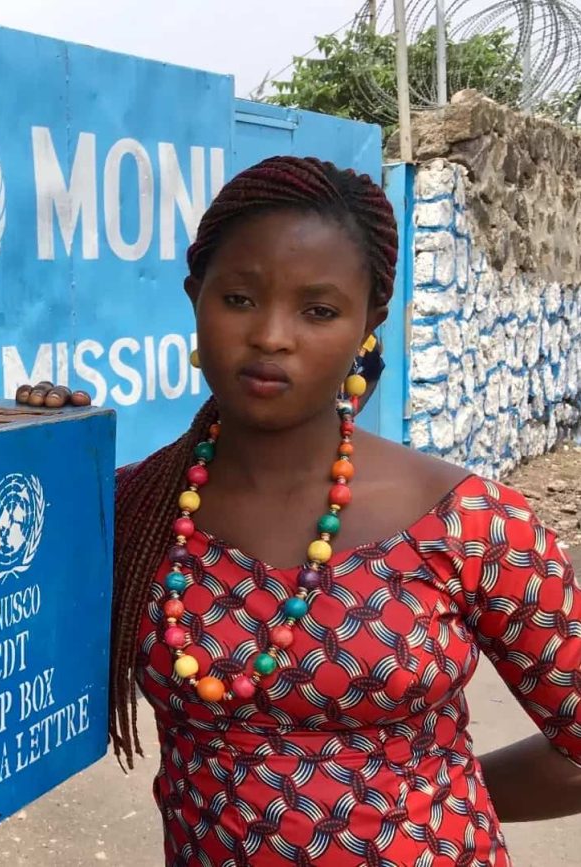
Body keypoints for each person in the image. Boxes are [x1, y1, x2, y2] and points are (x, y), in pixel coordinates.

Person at [53, 156, 581, 864]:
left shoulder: (469, 522)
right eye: (239, 298)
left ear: (370, 324)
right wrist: (26, 453)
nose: (272, 334)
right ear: (195, 297)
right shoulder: (134, 510)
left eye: (319, 310)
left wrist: (431, 797)